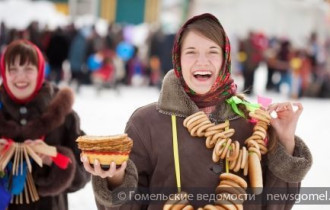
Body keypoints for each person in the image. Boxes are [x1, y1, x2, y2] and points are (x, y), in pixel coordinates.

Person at [81, 13, 312, 209]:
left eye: (212, 51)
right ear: (178, 59)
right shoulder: (146, 123)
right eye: (191, 52)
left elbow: (278, 204)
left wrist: (284, 139)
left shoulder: (251, 122)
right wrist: (114, 178)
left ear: (225, 60)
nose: (202, 61)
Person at [0, 40, 90, 210]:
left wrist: (55, 158)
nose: (20, 77)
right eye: (13, 70)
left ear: (40, 71)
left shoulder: (63, 115)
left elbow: (84, 174)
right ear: (4, 73)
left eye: (28, 69)